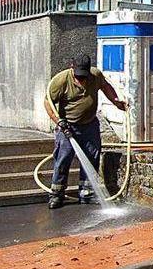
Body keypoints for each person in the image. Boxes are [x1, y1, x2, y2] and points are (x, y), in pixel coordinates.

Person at [43, 53, 127, 209]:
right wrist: (58, 121)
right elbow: (48, 102)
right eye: (78, 77)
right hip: (67, 126)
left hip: (89, 125)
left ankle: (86, 193)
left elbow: (106, 87)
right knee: (63, 159)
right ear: (71, 67)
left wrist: (116, 102)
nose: (81, 80)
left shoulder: (95, 75)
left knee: (92, 157)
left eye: (84, 76)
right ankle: (56, 194)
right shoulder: (60, 81)